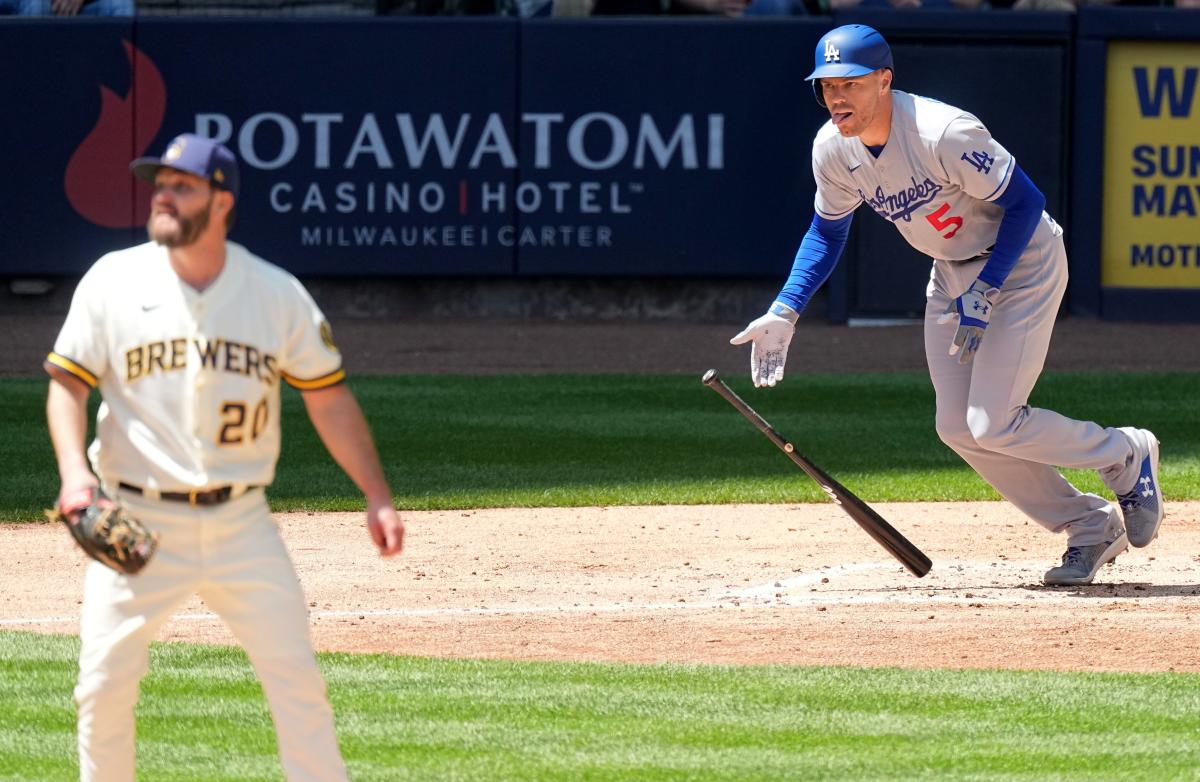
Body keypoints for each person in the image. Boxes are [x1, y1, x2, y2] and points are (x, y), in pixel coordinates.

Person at [729, 25, 1164, 587]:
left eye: (851, 84)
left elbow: (1026, 202)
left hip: (1023, 265)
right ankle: (1089, 525)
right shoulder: (832, 149)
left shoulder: (943, 132)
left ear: (884, 81)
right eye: (827, 85)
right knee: (958, 426)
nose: (836, 97)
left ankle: (1124, 453)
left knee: (994, 420)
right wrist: (785, 309)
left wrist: (990, 286)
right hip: (951, 274)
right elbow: (827, 230)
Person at [44, 132, 405, 781]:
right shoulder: (114, 281)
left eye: (182, 186)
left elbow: (328, 398)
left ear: (222, 201)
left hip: (243, 526)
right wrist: (75, 475)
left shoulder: (276, 293)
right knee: (101, 689)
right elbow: (67, 383)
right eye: (160, 184)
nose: (163, 195)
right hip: (136, 517)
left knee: (298, 684)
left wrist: (375, 494)